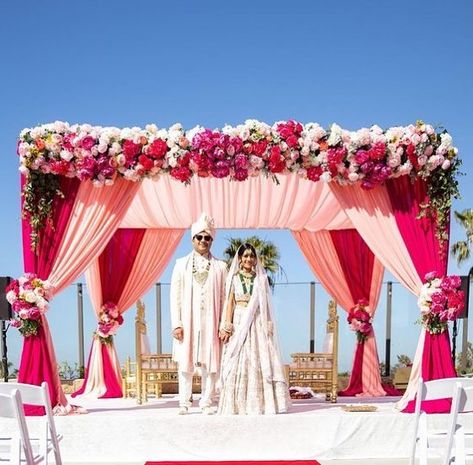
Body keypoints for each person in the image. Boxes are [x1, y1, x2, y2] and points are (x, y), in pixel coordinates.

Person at [217, 243, 290, 415]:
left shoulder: (261, 279)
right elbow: (230, 303)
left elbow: (266, 305)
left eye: (251, 256)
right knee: (237, 358)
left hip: (256, 320)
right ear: (240, 259)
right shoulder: (233, 278)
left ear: (255, 259)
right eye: (245, 256)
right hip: (240, 319)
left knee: (259, 357)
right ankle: (236, 405)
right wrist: (227, 326)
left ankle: (262, 404)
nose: (249, 259)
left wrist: (268, 323)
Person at [170, 213, 227, 415]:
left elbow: (224, 298)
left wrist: (223, 324)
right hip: (188, 320)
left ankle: (206, 402)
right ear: (192, 239)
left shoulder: (221, 266)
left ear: (212, 240)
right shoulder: (180, 264)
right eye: (199, 237)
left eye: (207, 237)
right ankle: (184, 402)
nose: (203, 241)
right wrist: (176, 323)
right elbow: (174, 295)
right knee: (186, 361)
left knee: (210, 361)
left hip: (211, 320)